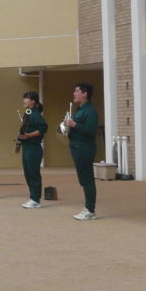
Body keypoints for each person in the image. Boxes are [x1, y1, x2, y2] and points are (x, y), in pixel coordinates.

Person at [65, 82, 99, 220]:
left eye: (77, 91)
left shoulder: (90, 110)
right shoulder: (80, 109)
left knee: (87, 179)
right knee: (83, 179)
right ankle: (87, 208)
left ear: (85, 94)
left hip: (84, 148)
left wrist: (74, 124)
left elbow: (91, 131)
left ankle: (90, 210)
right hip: (77, 147)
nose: (74, 93)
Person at [18, 91, 48, 209]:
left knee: (33, 173)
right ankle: (32, 198)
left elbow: (43, 128)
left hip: (33, 148)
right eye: (24, 98)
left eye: (26, 99)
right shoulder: (28, 112)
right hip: (27, 147)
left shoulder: (35, 113)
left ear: (33, 101)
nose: (24, 100)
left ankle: (36, 199)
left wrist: (28, 135)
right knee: (28, 173)